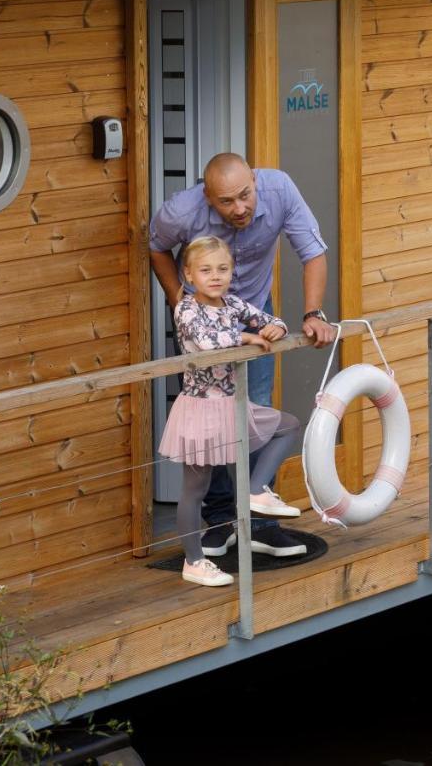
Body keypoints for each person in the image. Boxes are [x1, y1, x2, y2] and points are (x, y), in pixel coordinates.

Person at [150, 152, 338, 559]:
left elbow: (312, 252)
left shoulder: (280, 188)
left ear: (255, 180)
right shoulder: (180, 211)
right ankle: (220, 524)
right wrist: (178, 297)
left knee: (255, 414)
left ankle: (259, 524)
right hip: (205, 326)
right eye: (226, 202)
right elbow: (156, 246)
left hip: (251, 310)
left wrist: (310, 314)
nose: (239, 208)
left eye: (245, 196)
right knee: (215, 423)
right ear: (207, 197)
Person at [158, 237, 304, 587]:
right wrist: (248, 338)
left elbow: (270, 319)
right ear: (190, 275)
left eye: (223, 269)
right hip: (201, 407)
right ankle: (194, 561)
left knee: (287, 426)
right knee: (197, 486)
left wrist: (274, 328)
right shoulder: (186, 308)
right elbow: (209, 343)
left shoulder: (233, 304)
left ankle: (255, 488)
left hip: (232, 405)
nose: (215, 276)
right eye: (206, 270)